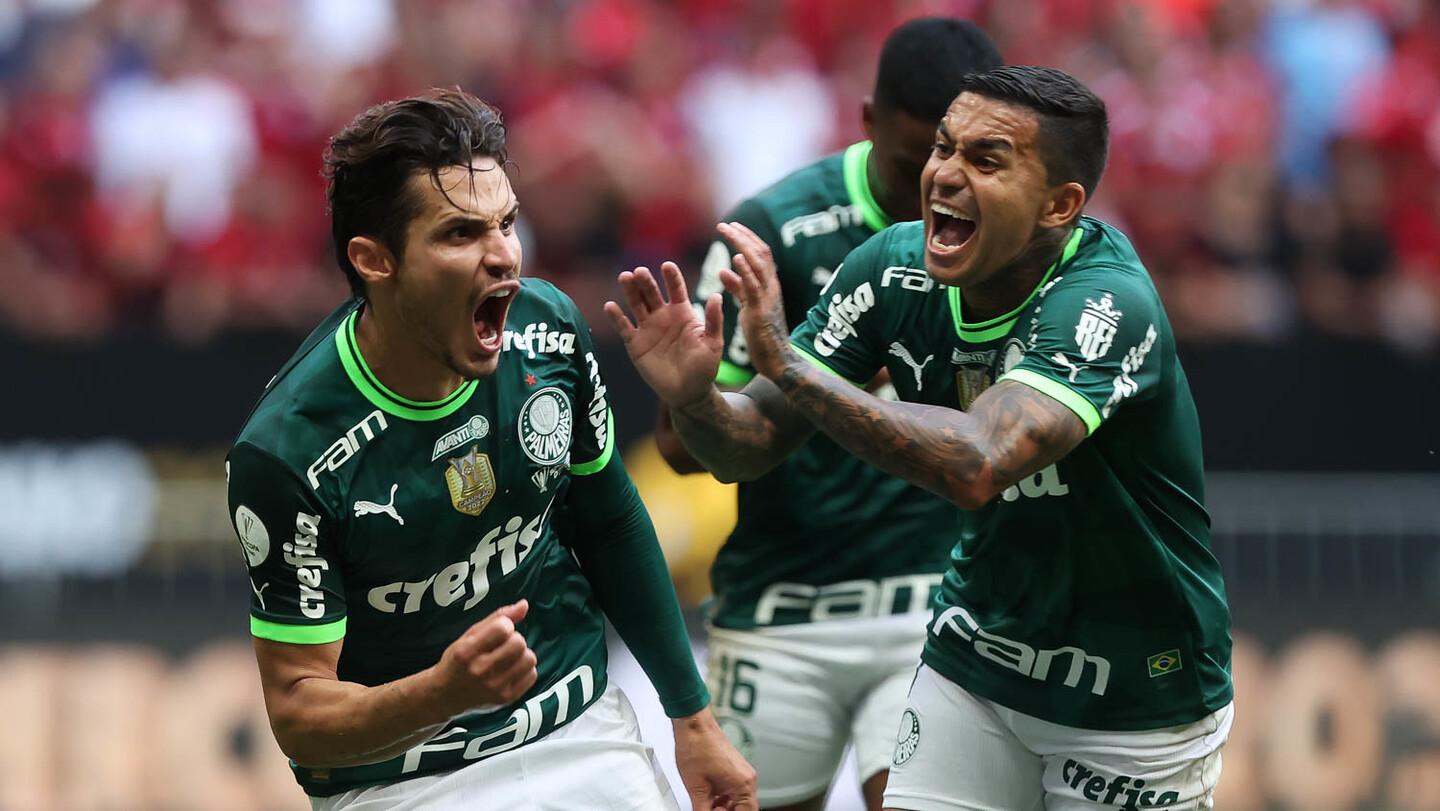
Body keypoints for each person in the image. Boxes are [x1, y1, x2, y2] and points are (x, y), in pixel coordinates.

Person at [608, 66, 1233, 810]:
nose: (946, 174)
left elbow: (979, 462)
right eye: (945, 147)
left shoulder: (1106, 302)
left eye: (986, 160)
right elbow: (747, 444)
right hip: (977, 664)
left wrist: (789, 366)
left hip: (1138, 693)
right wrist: (693, 399)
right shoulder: (890, 269)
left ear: (1059, 205)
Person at [226, 88, 756, 811]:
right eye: (460, 234)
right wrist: (442, 692)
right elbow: (298, 713)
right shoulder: (288, 449)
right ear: (374, 260)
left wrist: (692, 720)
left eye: (507, 222)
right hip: (399, 781)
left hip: (581, 729)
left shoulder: (547, 331)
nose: (505, 254)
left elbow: (608, 522)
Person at [655, 17, 1002, 811]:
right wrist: (810, 377)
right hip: (780, 607)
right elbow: (679, 446)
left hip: (934, 602)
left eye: (968, 163)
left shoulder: (1005, 240)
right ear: (869, 120)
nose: (938, 190)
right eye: (918, 161)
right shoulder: (774, 230)